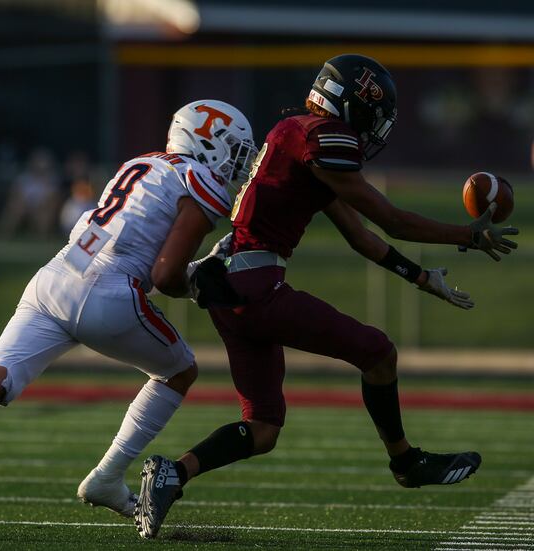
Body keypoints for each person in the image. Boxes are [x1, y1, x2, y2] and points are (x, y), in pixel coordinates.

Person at [134, 54, 520, 539]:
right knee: (379, 354)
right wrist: (468, 235)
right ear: (352, 105)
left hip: (227, 290)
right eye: (374, 114)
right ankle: (406, 462)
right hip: (256, 285)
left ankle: (173, 473)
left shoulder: (297, 136)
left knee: (263, 428)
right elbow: (391, 220)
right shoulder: (322, 136)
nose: (375, 127)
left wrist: (421, 277)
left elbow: (361, 237)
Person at [0, 99, 258, 519]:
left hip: (57, 275)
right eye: (234, 150)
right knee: (179, 371)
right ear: (208, 142)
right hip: (108, 292)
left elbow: (140, 251)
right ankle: (107, 476)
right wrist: (199, 285)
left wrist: (190, 274)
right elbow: (165, 275)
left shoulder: (143, 163)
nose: (237, 163)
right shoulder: (199, 181)